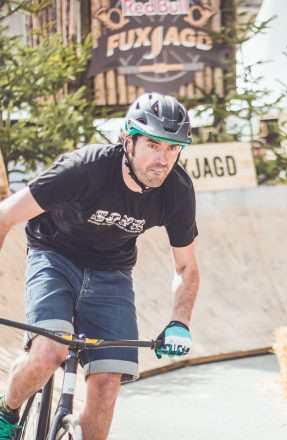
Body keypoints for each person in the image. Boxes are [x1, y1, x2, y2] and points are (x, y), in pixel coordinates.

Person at [0, 92, 200, 439]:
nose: (163, 159)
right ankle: (7, 412)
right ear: (128, 140)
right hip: (54, 255)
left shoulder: (177, 191)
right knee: (50, 350)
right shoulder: (85, 168)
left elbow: (186, 267)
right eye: (153, 145)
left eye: (172, 148)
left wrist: (179, 321)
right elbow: (5, 216)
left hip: (112, 272)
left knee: (108, 383)